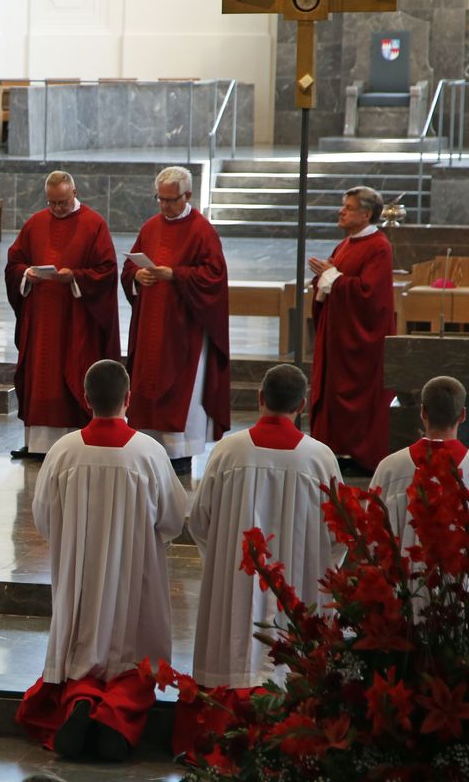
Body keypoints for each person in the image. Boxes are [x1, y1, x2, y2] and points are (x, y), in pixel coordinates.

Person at [16, 360, 186, 762]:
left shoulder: (63, 450)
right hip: (136, 575)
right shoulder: (149, 452)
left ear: (86, 400)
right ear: (128, 399)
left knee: (82, 655)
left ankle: (81, 700)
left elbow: (44, 517)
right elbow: (174, 519)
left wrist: (75, 539)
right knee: (133, 660)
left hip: (80, 575)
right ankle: (116, 720)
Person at [174, 364, 343, 757]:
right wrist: (317, 564)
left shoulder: (228, 451)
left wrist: (220, 558)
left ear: (259, 399)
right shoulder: (320, 458)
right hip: (298, 584)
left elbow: (200, 521)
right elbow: (338, 532)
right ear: (303, 404)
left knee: (231, 648)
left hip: (235, 578)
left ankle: (223, 733)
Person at [121, 166, 230, 477]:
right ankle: (148, 448)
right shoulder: (150, 227)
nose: (165, 206)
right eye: (160, 199)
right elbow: (130, 267)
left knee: (182, 391)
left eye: (171, 200)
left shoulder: (202, 230)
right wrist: (137, 276)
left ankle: (179, 454)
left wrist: (176, 275)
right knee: (146, 385)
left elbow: (214, 277)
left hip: (185, 331)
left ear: (189, 196)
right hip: (151, 325)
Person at [4, 171, 120, 460]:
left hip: (75, 320)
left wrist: (76, 278)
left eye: (63, 202)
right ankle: (38, 444)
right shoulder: (35, 223)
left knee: (70, 374)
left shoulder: (94, 225)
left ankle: (73, 443)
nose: (56, 209)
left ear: (75, 193)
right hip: (40, 319)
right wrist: (26, 274)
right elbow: (14, 262)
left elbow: (106, 271)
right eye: (52, 202)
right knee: (40, 376)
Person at [308, 186, 395, 475]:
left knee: (358, 397)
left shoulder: (379, 246)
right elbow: (335, 282)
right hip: (337, 337)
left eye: (348, 207)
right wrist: (324, 279)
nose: (341, 211)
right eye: (342, 206)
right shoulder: (345, 244)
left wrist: (331, 276)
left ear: (367, 214)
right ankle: (334, 449)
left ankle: (361, 455)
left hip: (360, 342)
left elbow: (369, 295)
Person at [371, 375, 469, 548]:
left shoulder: (390, 468)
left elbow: (372, 531)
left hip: (401, 574)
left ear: (422, 412)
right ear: (462, 415)